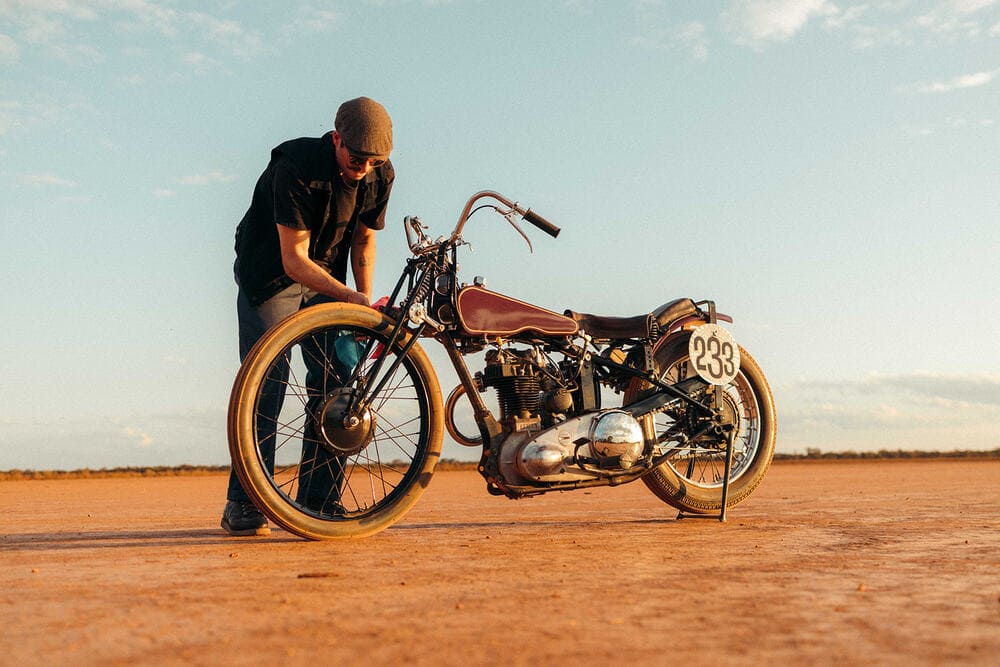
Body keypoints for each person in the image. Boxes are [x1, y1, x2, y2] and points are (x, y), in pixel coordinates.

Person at [222, 97, 394, 536]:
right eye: (356, 158)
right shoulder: (295, 165)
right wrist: (349, 296)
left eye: (374, 161)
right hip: (274, 275)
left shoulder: (378, 174)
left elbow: (363, 243)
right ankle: (244, 504)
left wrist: (363, 306)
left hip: (328, 274)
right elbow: (294, 259)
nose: (364, 167)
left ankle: (319, 500)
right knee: (267, 383)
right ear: (336, 139)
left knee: (339, 383)